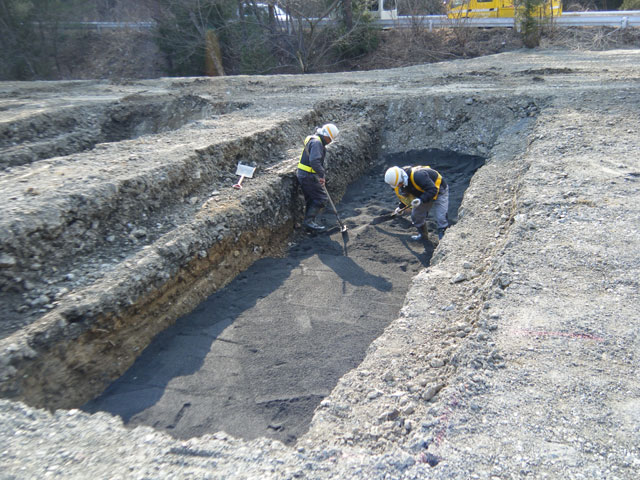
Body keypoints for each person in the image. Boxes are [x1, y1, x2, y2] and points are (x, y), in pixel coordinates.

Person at [384, 164, 449, 241]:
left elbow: (433, 190)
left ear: (402, 178)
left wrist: (421, 200)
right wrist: (401, 208)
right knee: (416, 215)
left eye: (399, 184)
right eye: (397, 185)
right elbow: (406, 196)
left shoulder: (418, 176)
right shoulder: (401, 182)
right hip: (422, 192)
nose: (399, 186)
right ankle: (423, 235)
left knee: (441, 217)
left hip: (439, 190)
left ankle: (444, 239)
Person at [296, 123, 339, 231]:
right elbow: (314, 161)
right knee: (321, 198)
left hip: (305, 174)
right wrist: (321, 174)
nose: (330, 142)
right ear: (326, 136)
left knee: (311, 199)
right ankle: (309, 222)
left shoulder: (314, 139)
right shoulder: (317, 143)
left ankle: (309, 222)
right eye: (330, 139)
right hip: (308, 175)